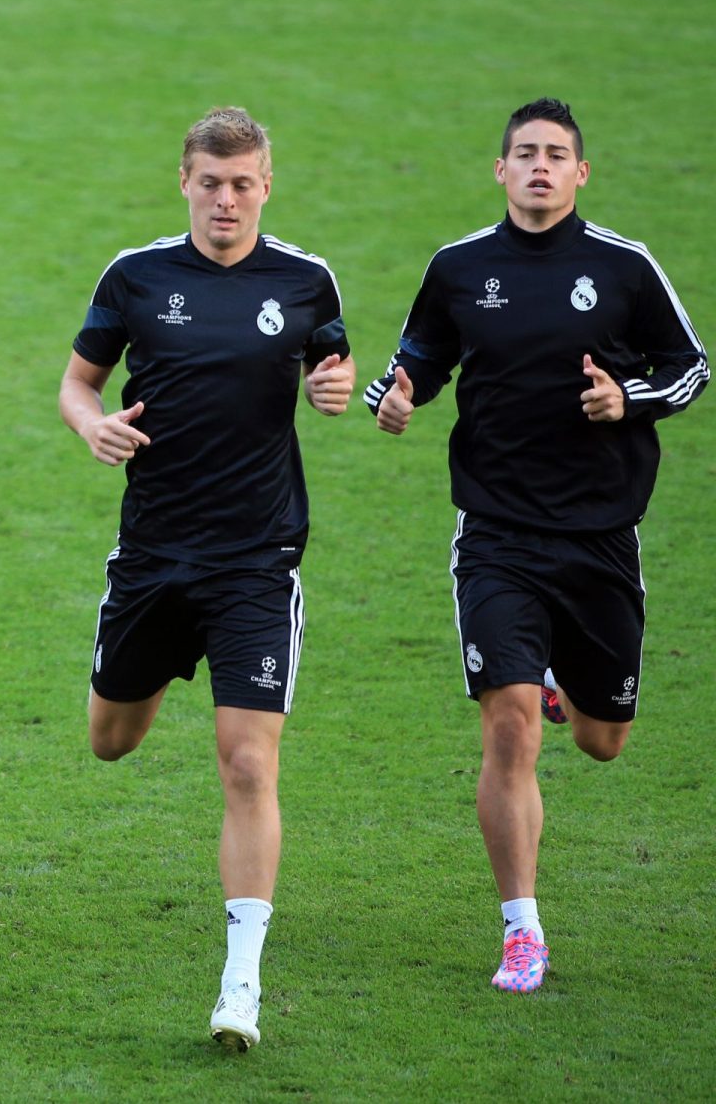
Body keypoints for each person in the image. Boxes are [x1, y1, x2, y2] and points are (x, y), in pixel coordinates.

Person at [365, 98, 706, 994]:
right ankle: (523, 929)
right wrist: (391, 399)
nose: (542, 166)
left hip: (599, 538)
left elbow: (693, 366)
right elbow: (414, 363)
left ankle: (569, 687)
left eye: (558, 154)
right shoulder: (459, 268)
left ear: (581, 173)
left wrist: (626, 400)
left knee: (603, 741)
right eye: (526, 153)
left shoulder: (624, 268)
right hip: (497, 536)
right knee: (509, 728)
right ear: (501, 170)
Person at [60, 107, 353, 1050]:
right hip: (153, 557)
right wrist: (91, 423)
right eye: (210, 181)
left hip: (257, 561)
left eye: (243, 183)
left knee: (248, 761)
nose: (226, 199)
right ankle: (138, 682)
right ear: (183, 180)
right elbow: (77, 382)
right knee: (111, 739)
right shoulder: (136, 277)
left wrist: (334, 388)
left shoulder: (305, 282)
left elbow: (334, 365)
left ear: (267, 184)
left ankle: (240, 986)